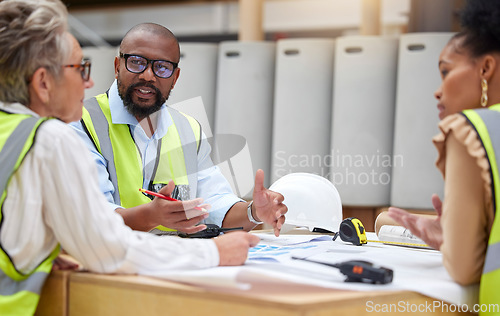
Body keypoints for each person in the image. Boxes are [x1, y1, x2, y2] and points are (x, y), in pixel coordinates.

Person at [0, 1, 260, 314]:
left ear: (175, 77)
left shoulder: (12, 131)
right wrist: (215, 253)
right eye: (80, 69)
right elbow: (109, 250)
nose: (89, 82)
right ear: (43, 83)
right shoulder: (50, 138)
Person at [71, 23, 287, 237]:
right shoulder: (81, 121)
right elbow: (93, 217)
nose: (148, 75)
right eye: (137, 63)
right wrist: (152, 216)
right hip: (113, 263)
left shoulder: (188, 129)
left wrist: (254, 212)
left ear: (175, 78)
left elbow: (215, 205)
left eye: (162, 67)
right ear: (117, 66)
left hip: (177, 262)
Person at [378, 0, 500, 309]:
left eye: (446, 72)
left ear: (486, 68)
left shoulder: (470, 131)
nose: (437, 90)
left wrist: (452, 240)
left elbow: (463, 268)